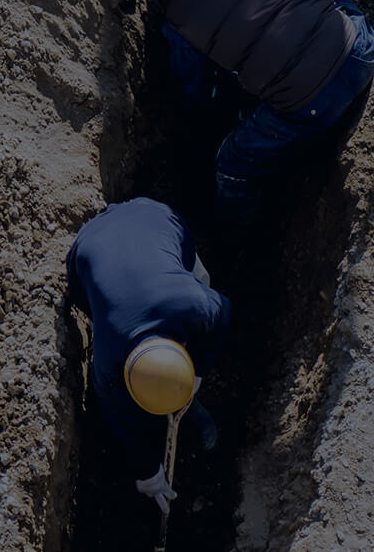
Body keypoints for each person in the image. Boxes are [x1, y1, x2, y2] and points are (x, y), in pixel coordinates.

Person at [136, 0, 374, 221]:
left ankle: (238, 242)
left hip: (311, 106)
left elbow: (198, 94)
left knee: (232, 165)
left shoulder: (178, 24)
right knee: (331, 4)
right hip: (360, 49)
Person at [65, 197, 230, 512]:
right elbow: (121, 418)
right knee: (95, 301)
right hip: (89, 243)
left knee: (202, 278)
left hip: (160, 220)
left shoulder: (194, 304)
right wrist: (149, 471)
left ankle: (186, 405)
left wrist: (196, 376)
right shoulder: (106, 364)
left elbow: (224, 313)